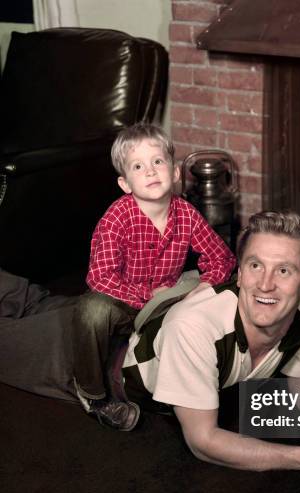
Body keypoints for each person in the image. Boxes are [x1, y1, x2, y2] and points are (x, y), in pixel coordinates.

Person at [0, 211, 300, 470]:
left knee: (32, 300)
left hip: (121, 321)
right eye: (255, 265)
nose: (266, 284)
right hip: (89, 358)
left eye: (284, 270)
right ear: (239, 274)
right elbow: (203, 441)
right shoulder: (195, 326)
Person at [71, 123, 236, 431]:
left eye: (158, 162)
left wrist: (203, 287)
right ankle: (94, 396)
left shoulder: (185, 213)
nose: (150, 171)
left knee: (202, 303)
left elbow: (221, 256)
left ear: (174, 172)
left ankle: (179, 390)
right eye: (138, 166)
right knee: (91, 310)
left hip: (164, 302)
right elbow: (100, 277)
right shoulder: (117, 217)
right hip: (122, 303)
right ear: (125, 183)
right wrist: (148, 294)